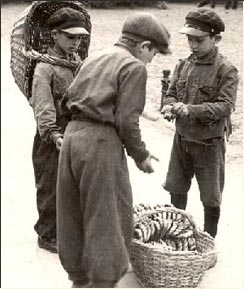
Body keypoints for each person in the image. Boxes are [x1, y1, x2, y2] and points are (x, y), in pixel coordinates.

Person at [57, 12, 171, 288]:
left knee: (72, 214)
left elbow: (66, 101)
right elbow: (126, 122)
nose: (150, 60)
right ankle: (103, 282)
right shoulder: (134, 67)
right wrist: (141, 155)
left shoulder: (94, 57)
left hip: (72, 138)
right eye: (153, 54)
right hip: (100, 143)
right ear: (143, 46)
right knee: (107, 216)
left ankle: (78, 279)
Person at [161, 8, 238, 238]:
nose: (193, 45)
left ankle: (208, 239)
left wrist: (190, 110)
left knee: (210, 196)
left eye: (199, 40)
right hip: (182, 138)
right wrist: (169, 104)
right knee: (176, 187)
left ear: (216, 39)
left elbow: (226, 106)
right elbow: (171, 92)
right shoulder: (183, 64)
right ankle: (177, 235)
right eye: (189, 39)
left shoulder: (226, 69)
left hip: (209, 143)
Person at [30, 7, 89, 253]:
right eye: (69, 37)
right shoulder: (45, 68)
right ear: (54, 35)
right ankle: (47, 234)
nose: (75, 42)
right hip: (51, 137)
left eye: (79, 38)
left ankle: (67, 230)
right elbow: (43, 105)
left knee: (71, 186)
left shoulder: (76, 63)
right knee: (50, 185)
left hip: (74, 132)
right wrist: (53, 134)